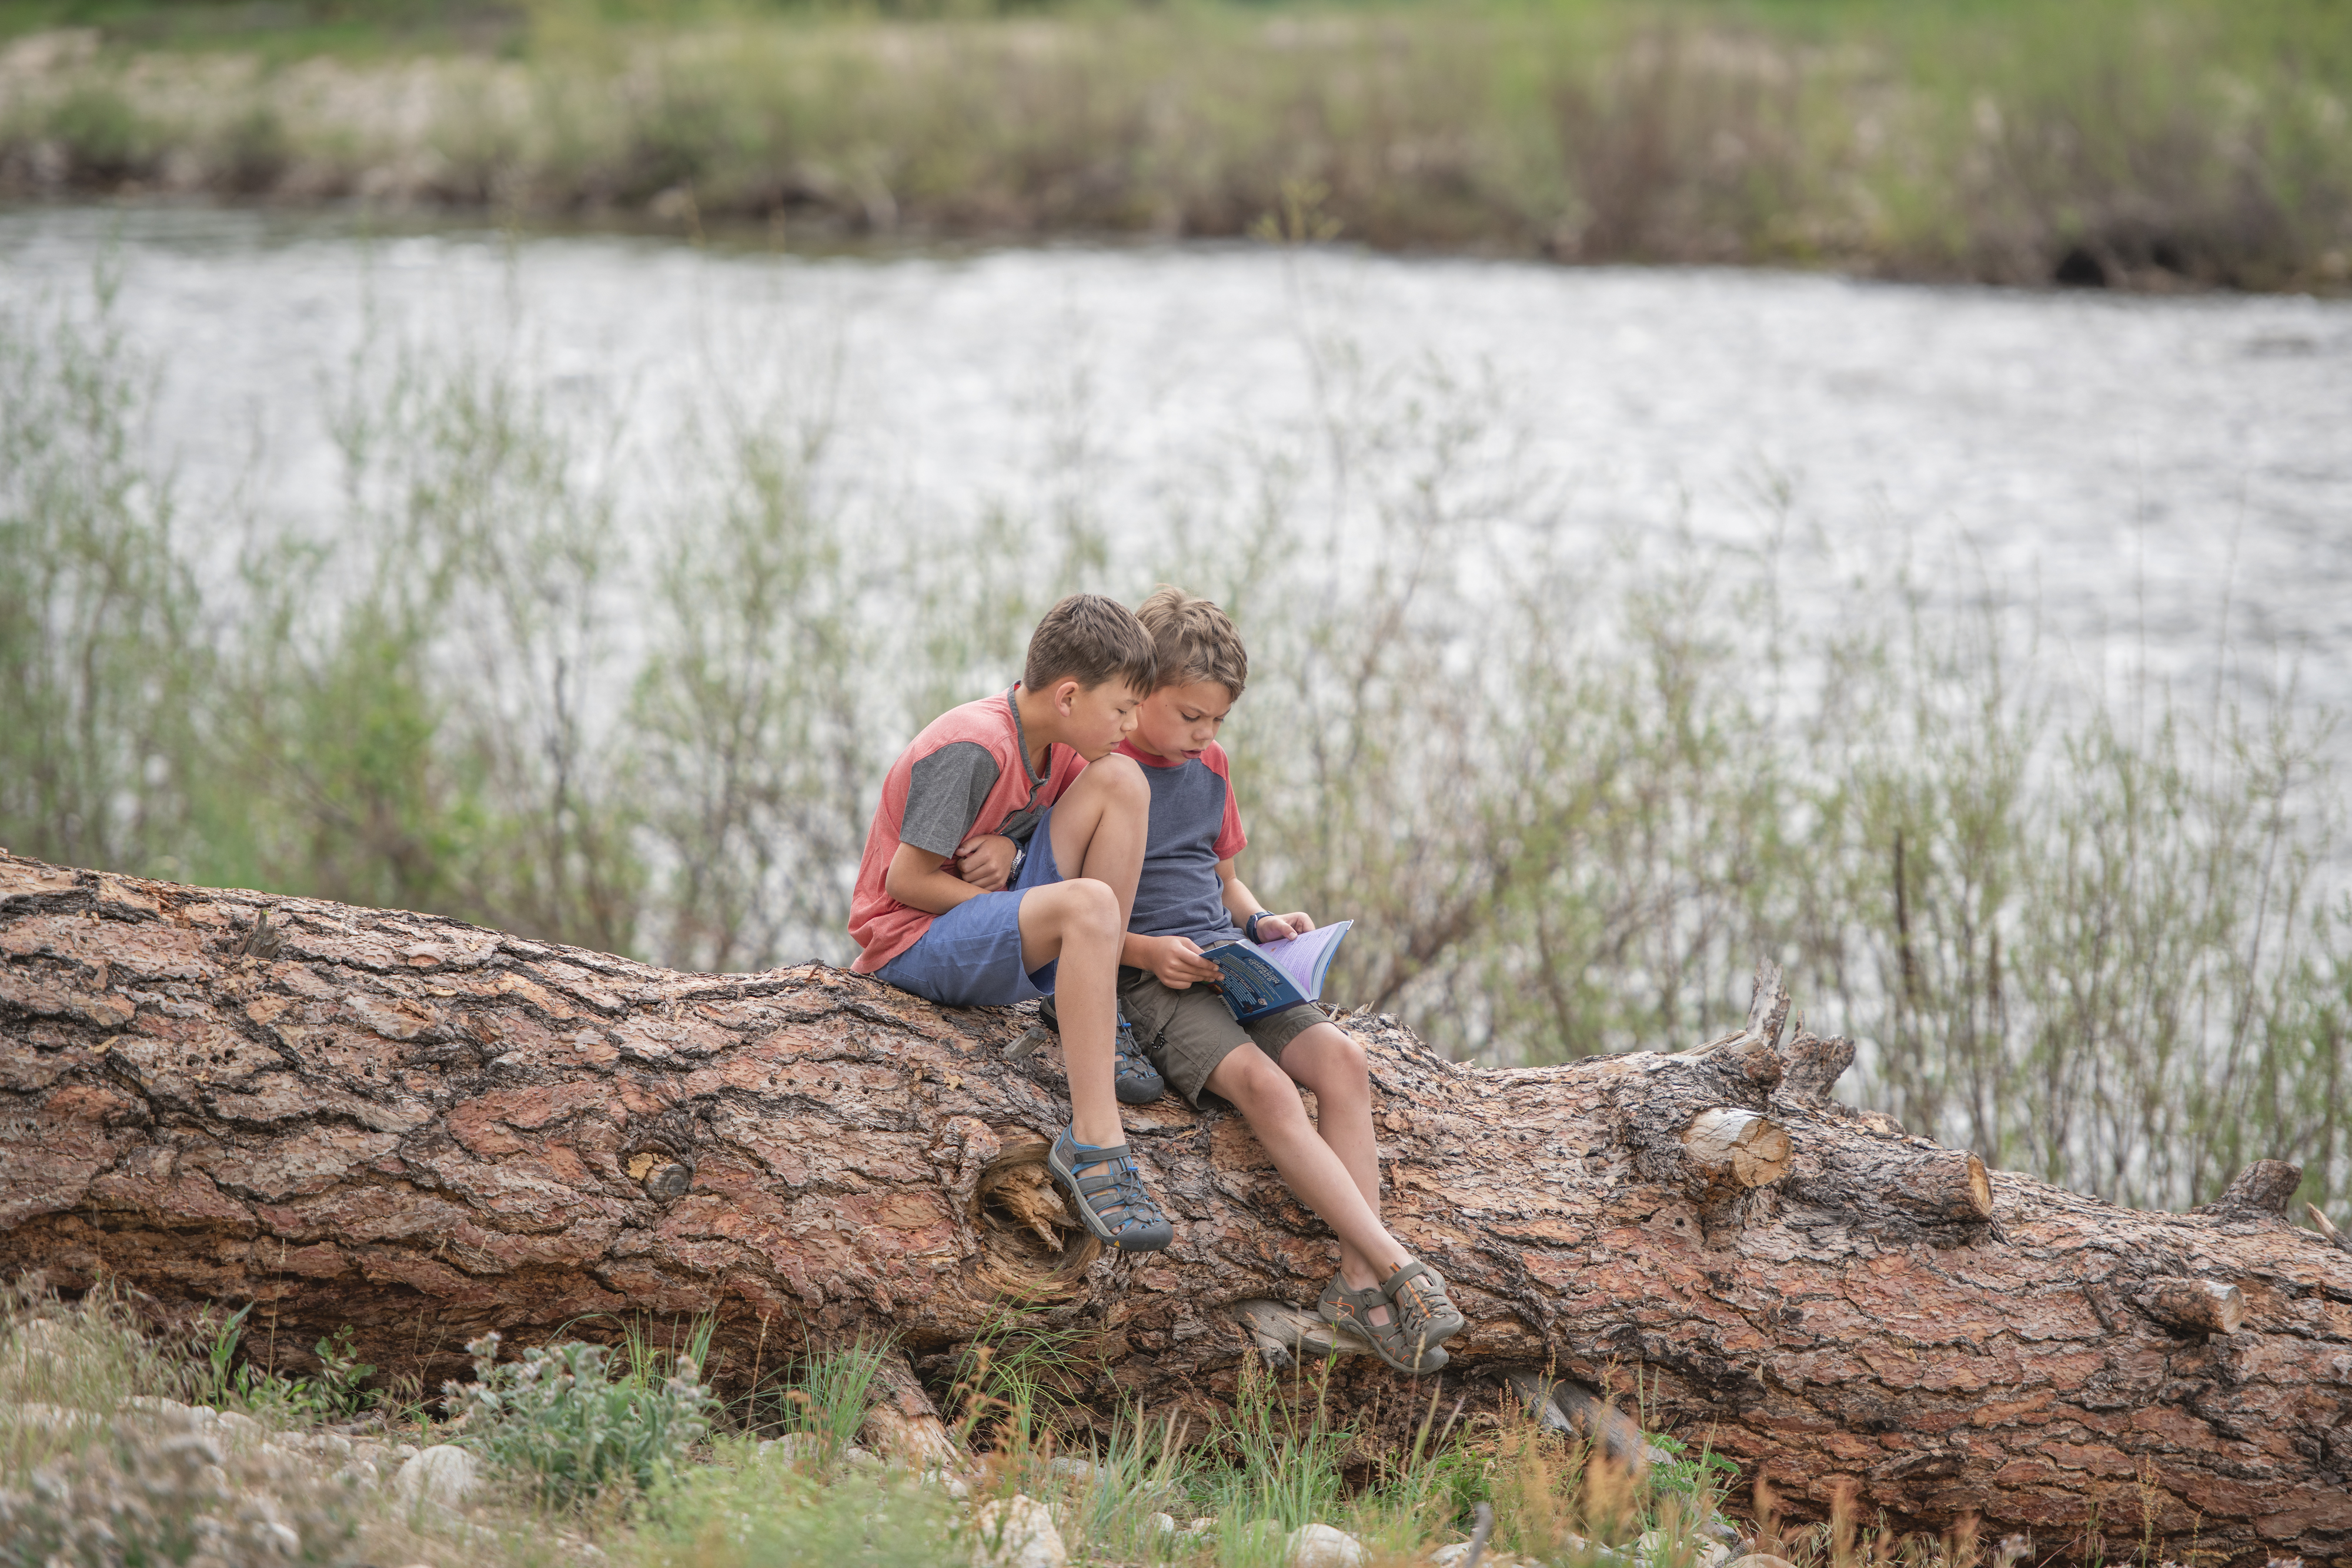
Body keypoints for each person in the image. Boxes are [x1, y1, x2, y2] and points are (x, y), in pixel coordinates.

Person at [1107, 584, 1466, 1372]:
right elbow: (1069, 907)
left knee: (1341, 1058)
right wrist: (1145, 954)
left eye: (1217, 721)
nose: (1204, 735)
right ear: (1138, 695)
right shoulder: (1099, 767)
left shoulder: (1212, 768)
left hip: (1228, 958)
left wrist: (1263, 921)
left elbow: (1225, 882)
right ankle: (1397, 1267)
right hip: (1154, 977)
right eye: (1189, 715)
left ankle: (1355, 1280)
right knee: (1266, 1088)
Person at [848, 592, 1176, 1252]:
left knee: (1125, 782)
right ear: (1067, 696)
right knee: (1088, 906)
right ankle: (1093, 1140)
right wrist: (1016, 906)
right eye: (1120, 707)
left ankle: (1091, 1004)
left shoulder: (1057, 746)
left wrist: (1015, 852)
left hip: (980, 922)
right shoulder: (973, 747)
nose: (1130, 722)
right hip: (910, 941)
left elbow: (1021, 829)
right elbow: (904, 882)